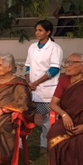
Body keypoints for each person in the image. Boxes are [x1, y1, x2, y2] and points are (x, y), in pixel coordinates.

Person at [25, 20, 63, 154]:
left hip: (47, 89)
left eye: (40, 30)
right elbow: (28, 66)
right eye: (36, 30)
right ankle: (22, 144)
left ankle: (44, 144)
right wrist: (29, 82)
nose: (37, 33)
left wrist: (37, 83)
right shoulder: (32, 47)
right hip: (33, 89)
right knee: (27, 116)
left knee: (47, 119)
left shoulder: (55, 48)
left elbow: (54, 69)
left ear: (48, 32)